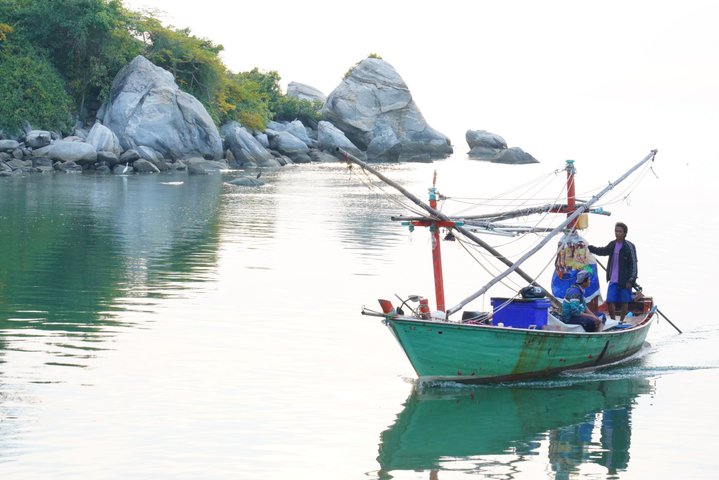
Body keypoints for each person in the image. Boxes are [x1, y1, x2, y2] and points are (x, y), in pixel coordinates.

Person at [588, 222, 638, 322]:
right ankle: (613, 321)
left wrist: (631, 280)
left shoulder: (629, 246)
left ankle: (622, 320)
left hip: (625, 280)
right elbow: (602, 251)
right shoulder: (613, 244)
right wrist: (590, 248)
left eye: (620, 231)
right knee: (610, 301)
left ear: (624, 233)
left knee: (624, 301)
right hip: (613, 279)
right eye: (616, 231)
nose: (617, 233)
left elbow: (634, 264)